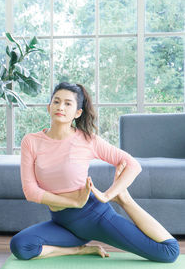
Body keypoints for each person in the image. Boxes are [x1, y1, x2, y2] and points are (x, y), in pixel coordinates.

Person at [10, 82, 179, 263]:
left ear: (77, 113)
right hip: (62, 222)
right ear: (48, 107)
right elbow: (31, 191)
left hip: (95, 216)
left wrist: (109, 194)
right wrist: (72, 202)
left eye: (68, 103)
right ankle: (78, 250)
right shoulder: (31, 141)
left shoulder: (87, 140)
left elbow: (132, 164)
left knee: (168, 252)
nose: (60, 107)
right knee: (20, 246)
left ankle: (125, 199)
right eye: (56, 101)